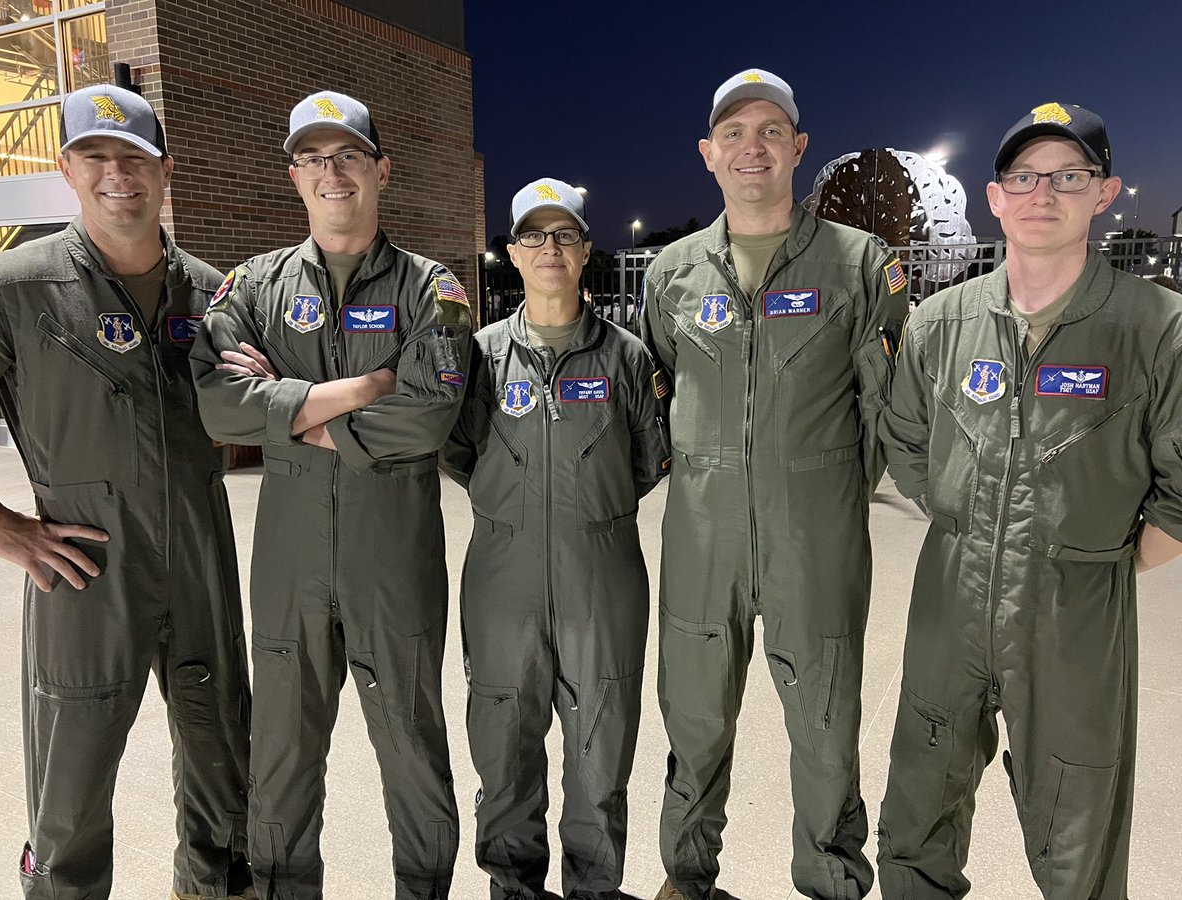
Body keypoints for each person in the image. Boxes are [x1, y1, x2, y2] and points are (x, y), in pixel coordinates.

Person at [875, 103, 1182, 898]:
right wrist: (969, 521)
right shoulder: (940, 324)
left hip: (1073, 619)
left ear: (1103, 192)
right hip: (950, 603)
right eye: (1024, 177)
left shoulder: (1154, 327)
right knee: (917, 817)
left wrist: (1097, 557)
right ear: (996, 196)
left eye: (1068, 176)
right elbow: (906, 441)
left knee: (1077, 836)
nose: (1043, 193)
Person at [190, 90, 472, 899]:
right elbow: (217, 406)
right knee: (280, 755)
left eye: (348, 155)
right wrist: (365, 387)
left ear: (382, 169)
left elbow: (430, 414)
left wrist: (289, 412)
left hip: (395, 564)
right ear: (294, 176)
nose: (332, 172)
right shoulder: (254, 285)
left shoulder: (433, 289)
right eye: (313, 158)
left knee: (413, 749)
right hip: (291, 566)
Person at [639, 69, 909, 900]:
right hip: (702, 540)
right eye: (733, 133)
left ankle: (830, 880)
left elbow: (883, 411)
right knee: (693, 720)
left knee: (825, 727)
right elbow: (658, 393)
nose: (750, 148)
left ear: (798, 147)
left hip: (814, 541)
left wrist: (823, 493)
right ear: (707, 153)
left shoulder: (860, 264)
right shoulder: (673, 273)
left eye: (769, 131)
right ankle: (687, 880)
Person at [0, 84, 253, 899]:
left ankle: (211, 887)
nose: (117, 175)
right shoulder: (13, 287)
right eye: (95, 157)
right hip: (85, 567)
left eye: (134, 158)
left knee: (222, 756)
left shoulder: (212, 294)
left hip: (200, 556)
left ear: (165, 170)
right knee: (72, 771)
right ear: (66, 170)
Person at [441, 178, 671, 900]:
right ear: (512, 253)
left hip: (601, 574)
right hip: (501, 576)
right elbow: (458, 451)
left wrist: (586, 509)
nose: (550, 248)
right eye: (534, 236)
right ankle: (513, 888)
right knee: (503, 745)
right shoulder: (480, 357)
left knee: (601, 748)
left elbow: (648, 459)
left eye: (564, 234)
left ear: (585, 249)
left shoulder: (627, 357)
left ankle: (594, 888)